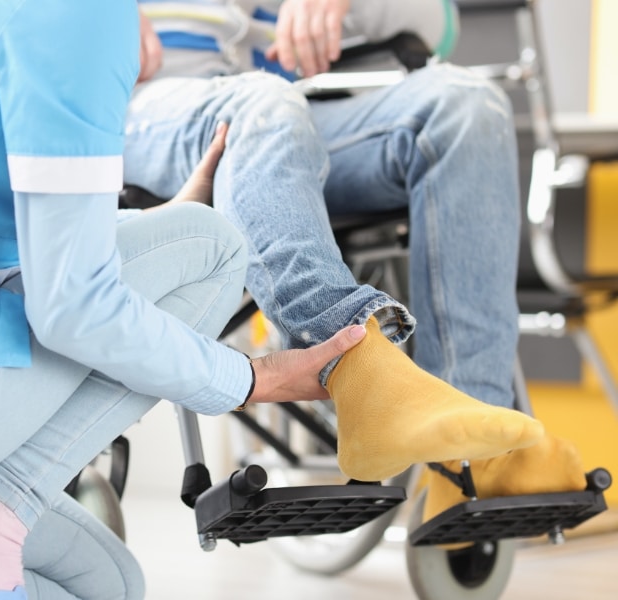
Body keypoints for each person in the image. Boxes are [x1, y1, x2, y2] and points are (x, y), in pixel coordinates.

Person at [0, 1, 378, 598]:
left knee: (110, 579)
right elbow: (72, 304)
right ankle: (0, 505)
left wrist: (148, 229)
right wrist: (249, 379)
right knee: (208, 246)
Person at [125, 0, 588, 514]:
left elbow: (440, 28)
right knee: (262, 103)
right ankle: (358, 371)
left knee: (467, 105)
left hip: (286, 124)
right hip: (141, 110)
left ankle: (473, 452)